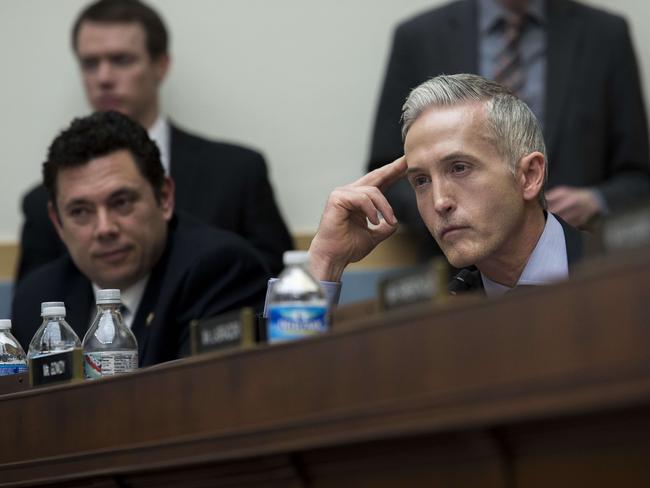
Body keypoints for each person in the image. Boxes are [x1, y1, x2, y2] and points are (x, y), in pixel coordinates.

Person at [17, 0, 292, 282]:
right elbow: (35, 312)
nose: (104, 77)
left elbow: (277, 286)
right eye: (90, 63)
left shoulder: (236, 172)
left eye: (121, 60)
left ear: (160, 65)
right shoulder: (43, 202)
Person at [368, 0, 650, 259]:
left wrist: (595, 201)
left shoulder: (604, 34)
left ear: (532, 173)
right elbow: (390, 172)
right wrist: (455, 218)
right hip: (456, 279)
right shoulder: (419, 38)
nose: (441, 200)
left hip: (585, 266)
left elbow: (639, 175)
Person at [12, 111, 270, 367]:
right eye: (80, 211)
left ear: (165, 197)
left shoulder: (219, 271)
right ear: (57, 222)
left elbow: (201, 398)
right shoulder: (37, 298)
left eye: (121, 202)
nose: (104, 228)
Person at [303, 74, 586, 305]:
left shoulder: (622, 272)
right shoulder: (428, 314)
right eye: (422, 181)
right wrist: (325, 261)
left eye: (459, 168)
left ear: (529, 176)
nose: (439, 202)